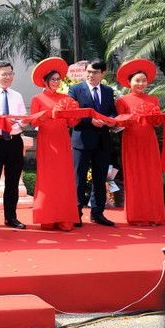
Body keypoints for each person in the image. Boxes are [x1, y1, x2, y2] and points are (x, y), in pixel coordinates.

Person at [29, 57, 80, 231]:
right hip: (46, 142)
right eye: (53, 79)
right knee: (48, 178)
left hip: (63, 140)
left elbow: (72, 123)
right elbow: (33, 122)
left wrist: (74, 111)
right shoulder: (37, 98)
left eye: (58, 79)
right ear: (45, 81)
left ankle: (65, 217)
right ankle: (48, 216)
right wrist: (49, 114)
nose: (56, 82)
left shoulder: (65, 98)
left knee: (64, 178)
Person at [115, 59, 165, 226]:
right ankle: (137, 216)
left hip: (149, 142)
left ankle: (155, 215)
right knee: (135, 177)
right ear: (129, 82)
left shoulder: (153, 100)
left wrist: (157, 117)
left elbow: (157, 123)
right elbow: (117, 124)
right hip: (131, 142)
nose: (141, 83)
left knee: (152, 177)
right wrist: (127, 120)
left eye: (143, 80)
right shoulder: (122, 101)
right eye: (137, 80)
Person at [68, 58, 118, 227]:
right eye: (88, 71)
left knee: (100, 178)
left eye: (95, 72)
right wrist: (90, 121)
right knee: (78, 179)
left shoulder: (108, 91)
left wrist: (110, 120)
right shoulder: (75, 89)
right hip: (82, 140)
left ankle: (98, 213)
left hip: (102, 141)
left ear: (102, 74)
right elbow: (71, 113)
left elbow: (112, 111)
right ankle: (76, 213)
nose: (90, 75)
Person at [0, 60, 27, 230]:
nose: (8, 77)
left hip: (15, 141)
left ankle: (11, 217)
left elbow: (23, 118)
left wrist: (21, 121)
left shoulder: (17, 95)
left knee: (13, 180)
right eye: (4, 74)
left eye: (11, 74)